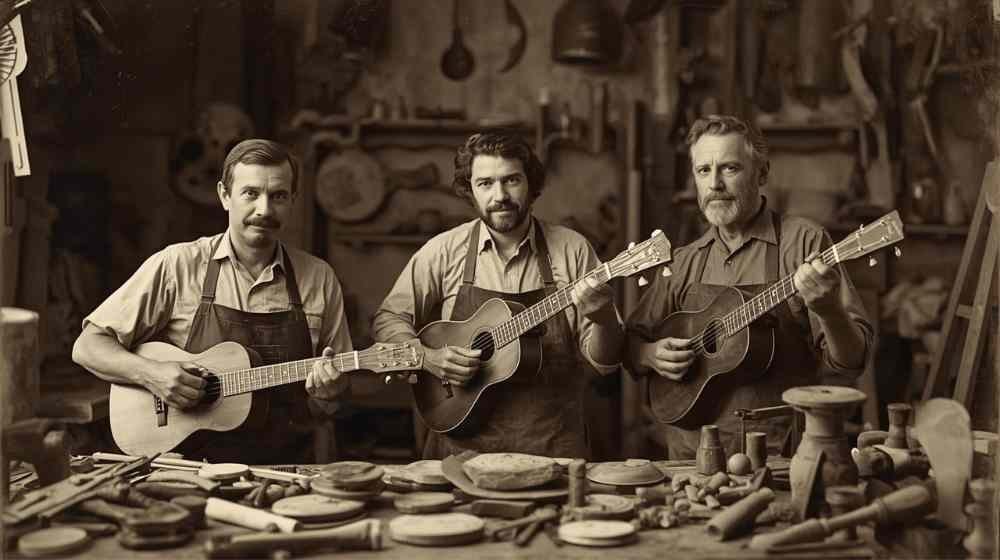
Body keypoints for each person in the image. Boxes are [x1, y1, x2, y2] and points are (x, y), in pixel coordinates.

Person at [73, 139, 352, 463]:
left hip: (288, 469)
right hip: (189, 472)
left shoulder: (319, 278)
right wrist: (151, 373)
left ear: (292, 200)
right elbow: (88, 346)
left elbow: (337, 398)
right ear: (224, 195)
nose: (264, 209)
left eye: (278, 196)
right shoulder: (177, 265)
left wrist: (330, 393)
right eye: (250, 193)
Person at [625, 114, 874, 459]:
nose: (715, 184)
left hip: (777, 456)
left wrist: (830, 311)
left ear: (762, 174)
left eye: (729, 168)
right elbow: (630, 342)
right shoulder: (684, 260)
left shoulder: (804, 243)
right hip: (688, 459)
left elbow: (853, 361)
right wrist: (647, 354)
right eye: (703, 171)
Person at [373, 131, 625, 459]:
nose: (500, 195)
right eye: (485, 183)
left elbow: (605, 364)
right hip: (460, 450)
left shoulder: (572, 250)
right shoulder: (445, 250)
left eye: (511, 180)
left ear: (531, 184)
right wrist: (426, 357)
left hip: (552, 448)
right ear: (470, 190)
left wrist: (603, 317)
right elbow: (389, 317)